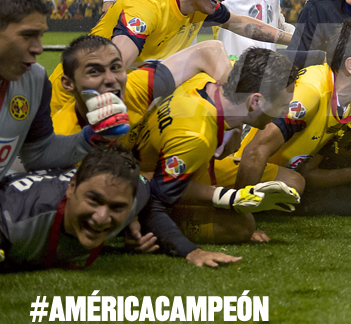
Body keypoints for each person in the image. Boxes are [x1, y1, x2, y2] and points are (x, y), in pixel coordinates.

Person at [48, 0, 293, 114]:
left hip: (124, 97)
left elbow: (242, 23)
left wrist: (293, 38)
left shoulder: (200, 3)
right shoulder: (148, 5)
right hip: (79, 101)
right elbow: (115, 65)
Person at [123, 48, 301, 267]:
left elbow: (213, 48)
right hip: (147, 175)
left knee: (290, 182)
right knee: (241, 227)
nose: (285, 112)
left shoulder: (210, 78)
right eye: (282, 105)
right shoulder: (196, 135)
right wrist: (191, 251)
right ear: (255, 101)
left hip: (178, 157)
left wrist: (236, 127)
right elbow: (157, 201)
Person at [0, 0, 128, 210]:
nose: (38, 48)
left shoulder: (34, 79)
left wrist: (92, 136)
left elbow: (38, 154)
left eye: (40, 36)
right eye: (28, 35)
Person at [239, 21, 351, 215]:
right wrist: (242, 215)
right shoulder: (311, 90)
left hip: (287, 170)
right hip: (242, 166)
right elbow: (255, 150)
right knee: (295, 183)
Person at [0, 146, 150, 282]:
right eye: (93, 200)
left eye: (117, 208)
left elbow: (148, 180)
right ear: (71, 188)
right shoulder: (8, 222)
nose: (101, 218)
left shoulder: (133, 197)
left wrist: (132, 221)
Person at [51, 35, 231, 136]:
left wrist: (232, 115)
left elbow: (207, 52)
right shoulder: (61, 136)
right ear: (68, 84)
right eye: (94, 72)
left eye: (116, 67)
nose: (110, 79)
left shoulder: (135, 88)